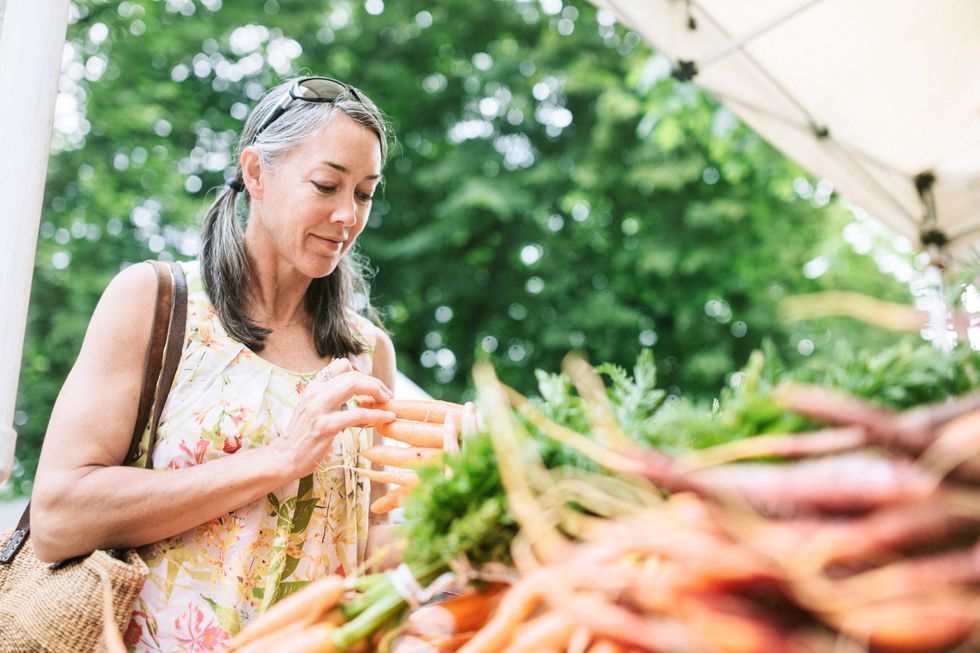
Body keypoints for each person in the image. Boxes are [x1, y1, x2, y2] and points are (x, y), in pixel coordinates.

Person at [30, 76, 433, 651]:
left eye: (365, 193)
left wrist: (455, 533)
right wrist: (281, 459)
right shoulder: (157, 302)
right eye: (326, 185)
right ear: (256, 173)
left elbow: (368, 540)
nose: (348, 215)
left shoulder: (368, 354)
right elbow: (56, 519)